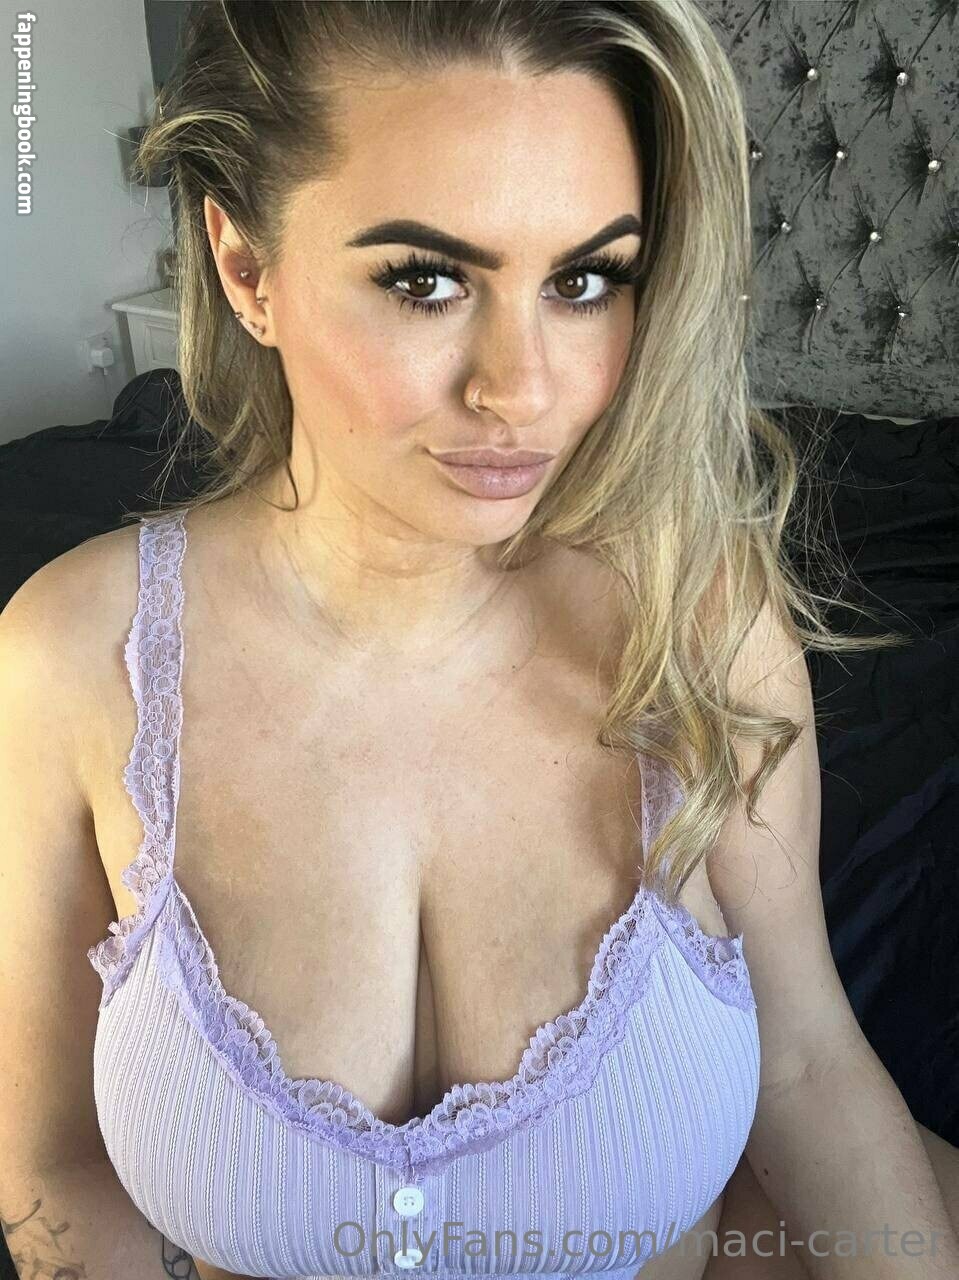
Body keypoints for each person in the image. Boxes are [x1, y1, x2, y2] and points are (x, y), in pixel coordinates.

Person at [1, 3, 957, 1279]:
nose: (521, 388)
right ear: (244, 267)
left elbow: (803, 1063)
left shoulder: (698, 622)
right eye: (424, 280)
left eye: (584, 280)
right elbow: (53, 1160)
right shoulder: (72, 656)